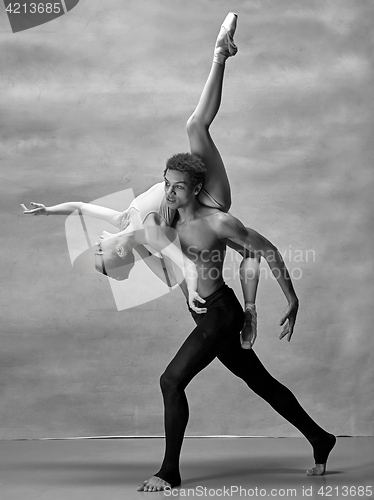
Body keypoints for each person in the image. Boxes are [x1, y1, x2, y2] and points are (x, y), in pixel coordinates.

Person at [135, 15, 336, 492]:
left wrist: (289, 299)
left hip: (220, 312)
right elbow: (159, 251)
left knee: (171, 381)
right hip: (205, 309)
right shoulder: (168, 212)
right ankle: (321, 437)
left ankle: (169, 473)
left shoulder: (217, 218)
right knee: (260, 382)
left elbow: (265, 252)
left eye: (178, 187)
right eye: (166, 185)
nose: (169, 193)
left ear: (197, 188)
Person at [22, 12, 259, 348]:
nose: (98, 244)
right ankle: (249, 311)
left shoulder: (123, 220)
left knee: (194, 126)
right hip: (211, 200)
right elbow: (181, 267)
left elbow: (79, 207)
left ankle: (222, 52)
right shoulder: (151, 238)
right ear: (119, 251)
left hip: (192, 186)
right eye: (102, 251)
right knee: (196, 128)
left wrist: (48, 211)